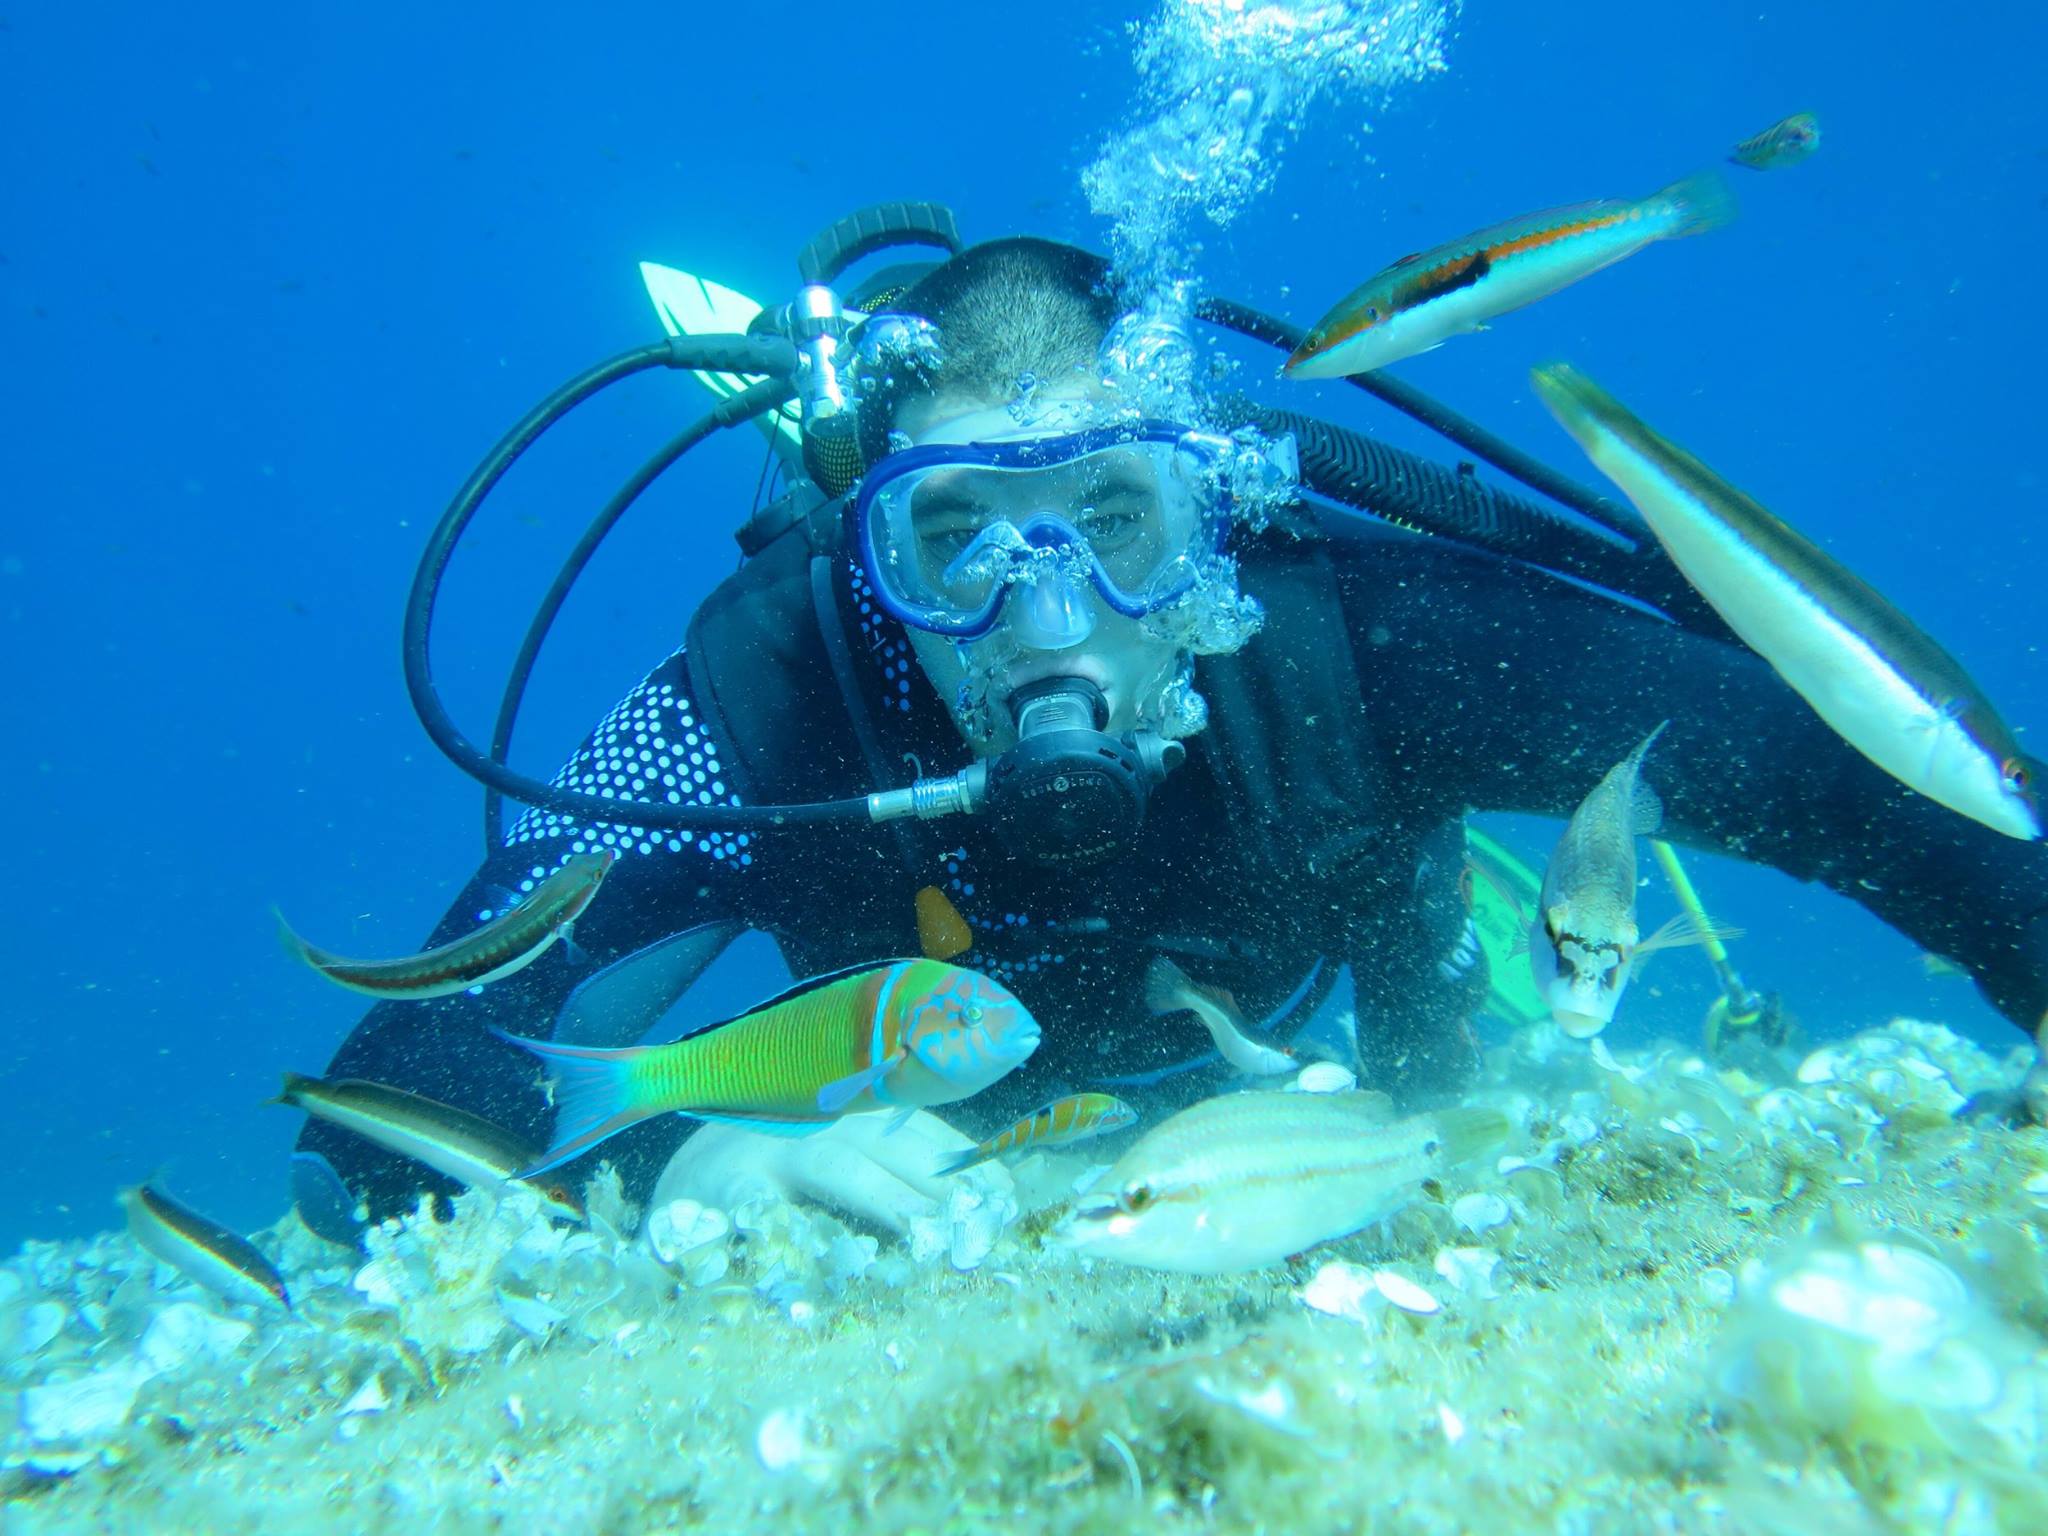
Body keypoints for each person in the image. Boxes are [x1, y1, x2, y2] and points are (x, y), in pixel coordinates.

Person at [292, 236, 2048, 1244]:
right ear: (865, 551)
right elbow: (385, 1112)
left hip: (1326, 1048)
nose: (1046, 622)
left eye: (1118, 524)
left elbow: (1859, 780)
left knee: (1452, 1063)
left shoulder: (1358, 637)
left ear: (1215, 519)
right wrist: (703, 1152)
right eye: (958, 537)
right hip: (934, 1121)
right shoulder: (766, 694)